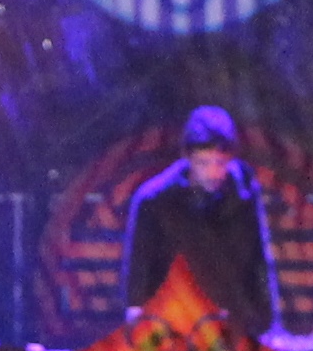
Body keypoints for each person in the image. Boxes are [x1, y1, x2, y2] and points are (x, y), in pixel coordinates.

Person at [117, 108, 277, 327]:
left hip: (233, 320)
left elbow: (259, 261)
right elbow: (139, 265)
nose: (212, 173)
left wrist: (265, 320)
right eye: (203, 163)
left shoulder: (244, 193)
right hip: (175, 319)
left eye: (220, 163)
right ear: (189, 158)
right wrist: (137, 312)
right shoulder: (155, 200)